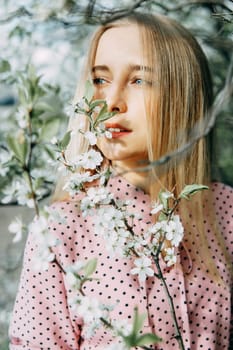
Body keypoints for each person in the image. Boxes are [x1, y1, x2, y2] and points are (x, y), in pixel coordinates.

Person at [9, 11, 232, 350]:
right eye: (100, 80)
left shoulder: (225, 213)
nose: (111, 103)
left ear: (182, 96)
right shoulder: (61, 229)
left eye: (139, 80)